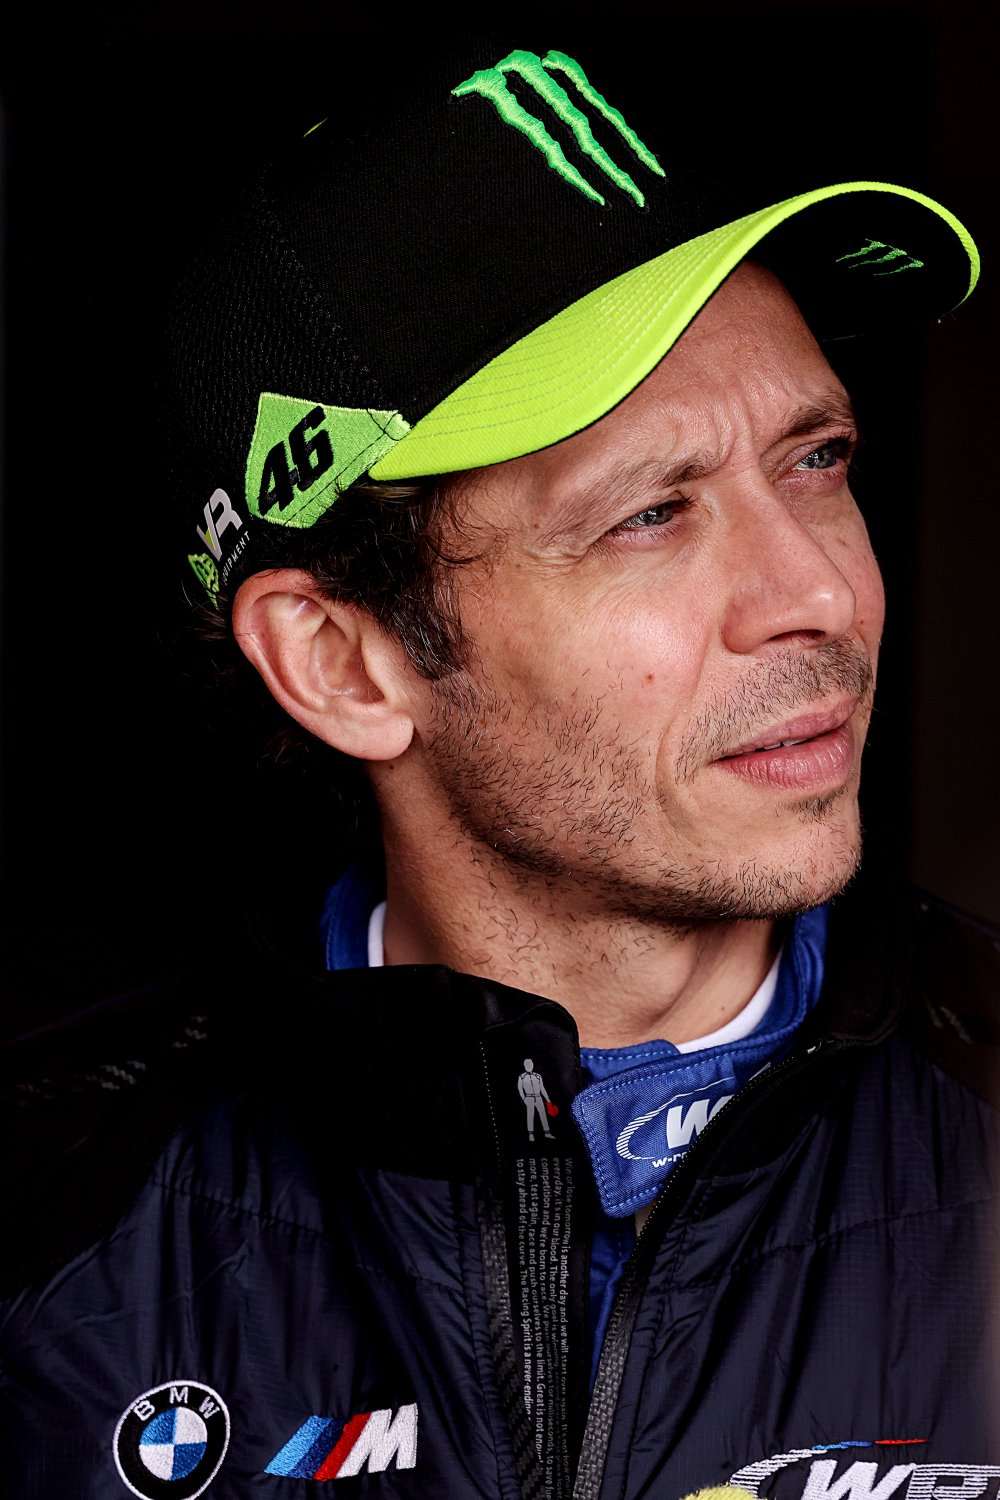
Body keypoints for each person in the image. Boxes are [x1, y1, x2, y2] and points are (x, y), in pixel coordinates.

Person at [3, 35, 998, 1500]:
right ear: (344, 664)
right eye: (651, 514)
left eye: (817, 458)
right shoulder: (50, 1219)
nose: (820, 595)